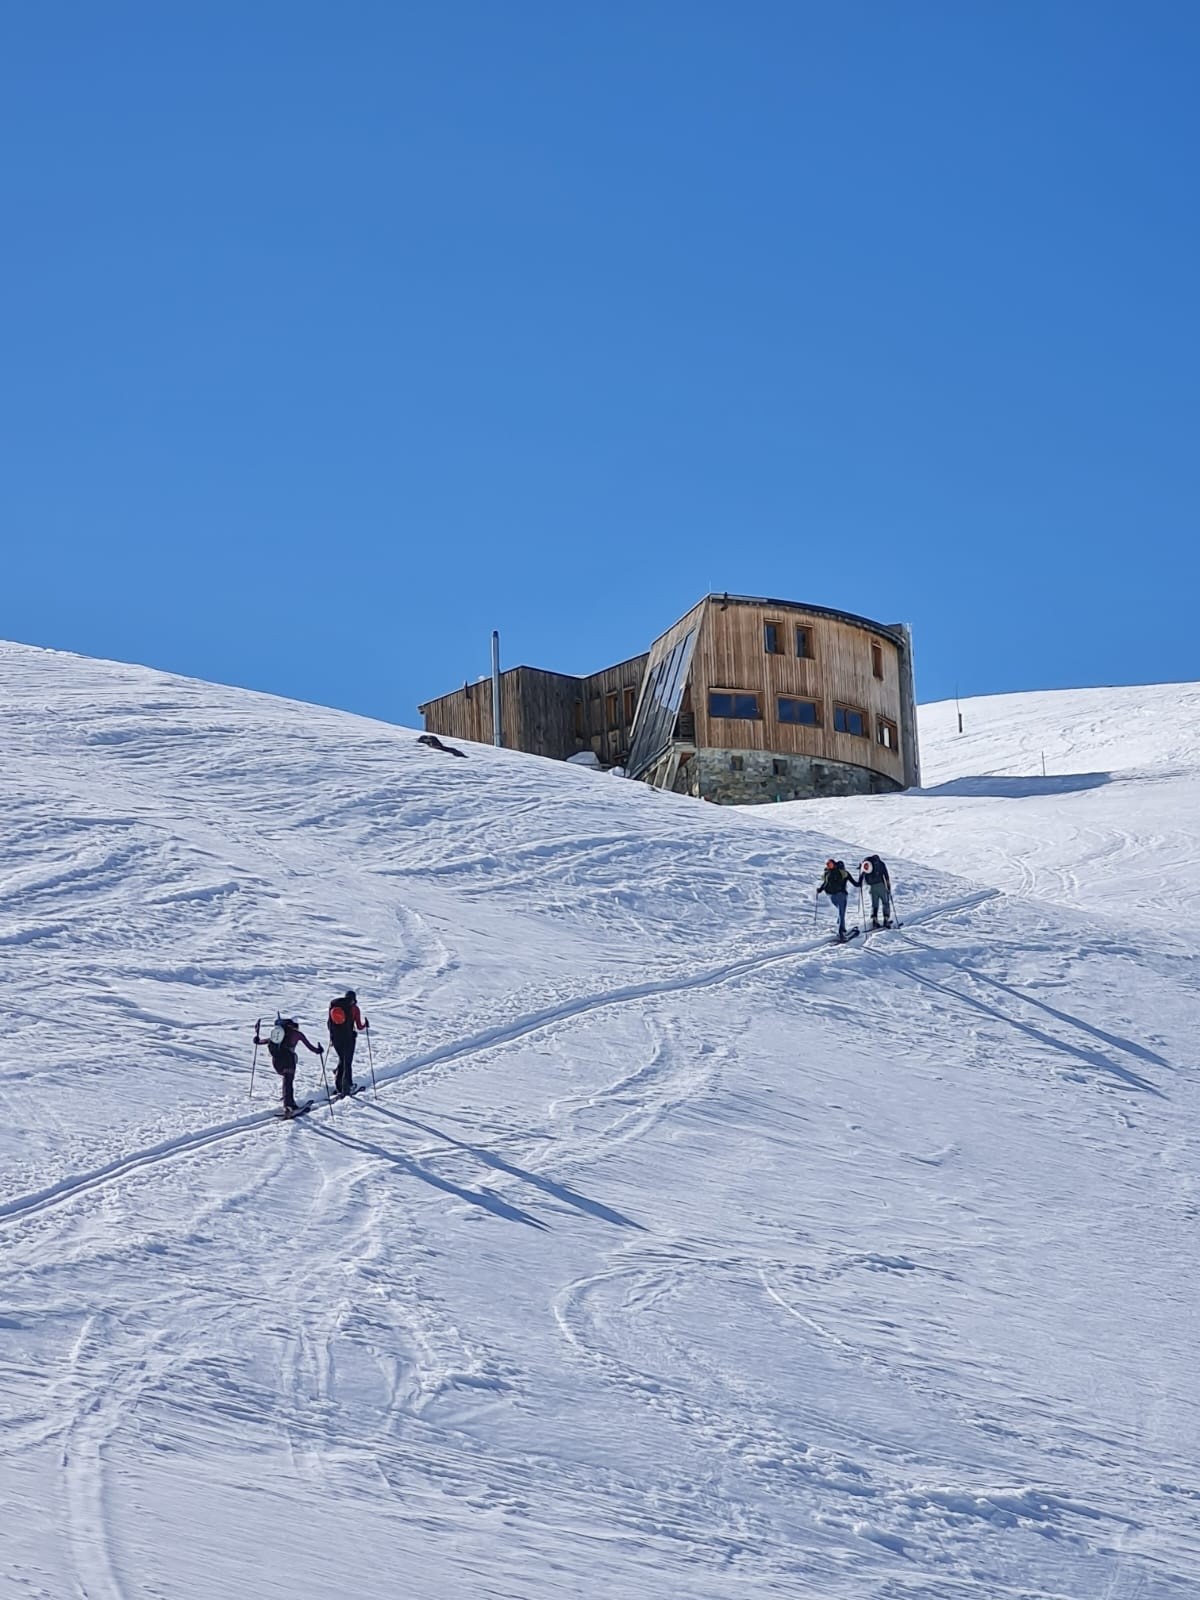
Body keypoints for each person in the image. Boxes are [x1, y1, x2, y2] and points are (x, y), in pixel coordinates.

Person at [256, 1017, 322, 1116]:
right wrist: (319, 1050)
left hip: (277, 1061)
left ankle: (289, 1101)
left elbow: (262, 1042)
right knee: (288, 1082)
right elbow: (310, 1047)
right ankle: (288, 1106)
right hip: (288, 1060)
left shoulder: (278, 1035)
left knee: (286, 1081)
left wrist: (257, 1040)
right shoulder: (296, 1034)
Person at [328, 989, 369, 1098]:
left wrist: (332, 1037)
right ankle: (347, 1087)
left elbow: (329, 1023)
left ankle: (339, 1086)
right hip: (348, 1039)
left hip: (336, 1039)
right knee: (347, 1062)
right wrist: (366, 1024)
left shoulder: (334, 1006)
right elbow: (359, 1026)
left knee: (342, 1060)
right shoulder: (354, 1009)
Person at [817, 858, 860, 941]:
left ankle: (841, 927)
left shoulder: (828, 872)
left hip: (831, 895)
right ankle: (841, 931)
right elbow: (856, 884)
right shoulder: (844, 873)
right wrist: (862, 876)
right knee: (841, 912)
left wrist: (820, 889)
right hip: (841, 894)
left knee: (840, 912)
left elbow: (825, 883)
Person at [860, 855, 893, 928]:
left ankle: (874, 920)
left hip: (871, 887)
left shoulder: (866, 863)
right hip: (880, 885)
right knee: (885, 902)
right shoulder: (881, 864)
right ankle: (886, 920)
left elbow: (862, 874)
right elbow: (886, 875)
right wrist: (888, 886)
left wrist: (860, 883)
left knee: (874, 904)